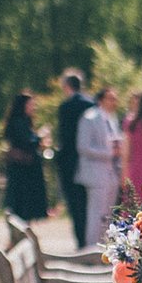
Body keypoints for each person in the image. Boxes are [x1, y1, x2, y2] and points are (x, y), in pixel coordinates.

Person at [76, 86, 126, 242]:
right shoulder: (89, 117)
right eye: (111, 98)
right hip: (96, 172)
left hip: (112, 172)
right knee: (96, 214)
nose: (114, 102)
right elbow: (83, 146)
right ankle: (91, 249)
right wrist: (109, 153)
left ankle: (104, 249)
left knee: (108, 215)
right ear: (101, 100)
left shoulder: (112, 118)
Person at [54, 71, 93, 252]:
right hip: (90, 162)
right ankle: (90, 240)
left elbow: (63, 136)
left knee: (74, 204)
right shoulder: (91, 104)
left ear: (67, 86)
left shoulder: (65, 107)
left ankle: (80, 242)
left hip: (70, 161)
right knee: (88, 204)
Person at [3, 92, 50, 225]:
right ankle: (19, 232)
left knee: (26, 204)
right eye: (30, 105)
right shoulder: (18, 122)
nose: (33, 108)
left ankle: (22, 231)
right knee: (22, 203)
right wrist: (40, 136)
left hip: (27, 169)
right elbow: (27, 142)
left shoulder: (25, 121)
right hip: (22, 170)